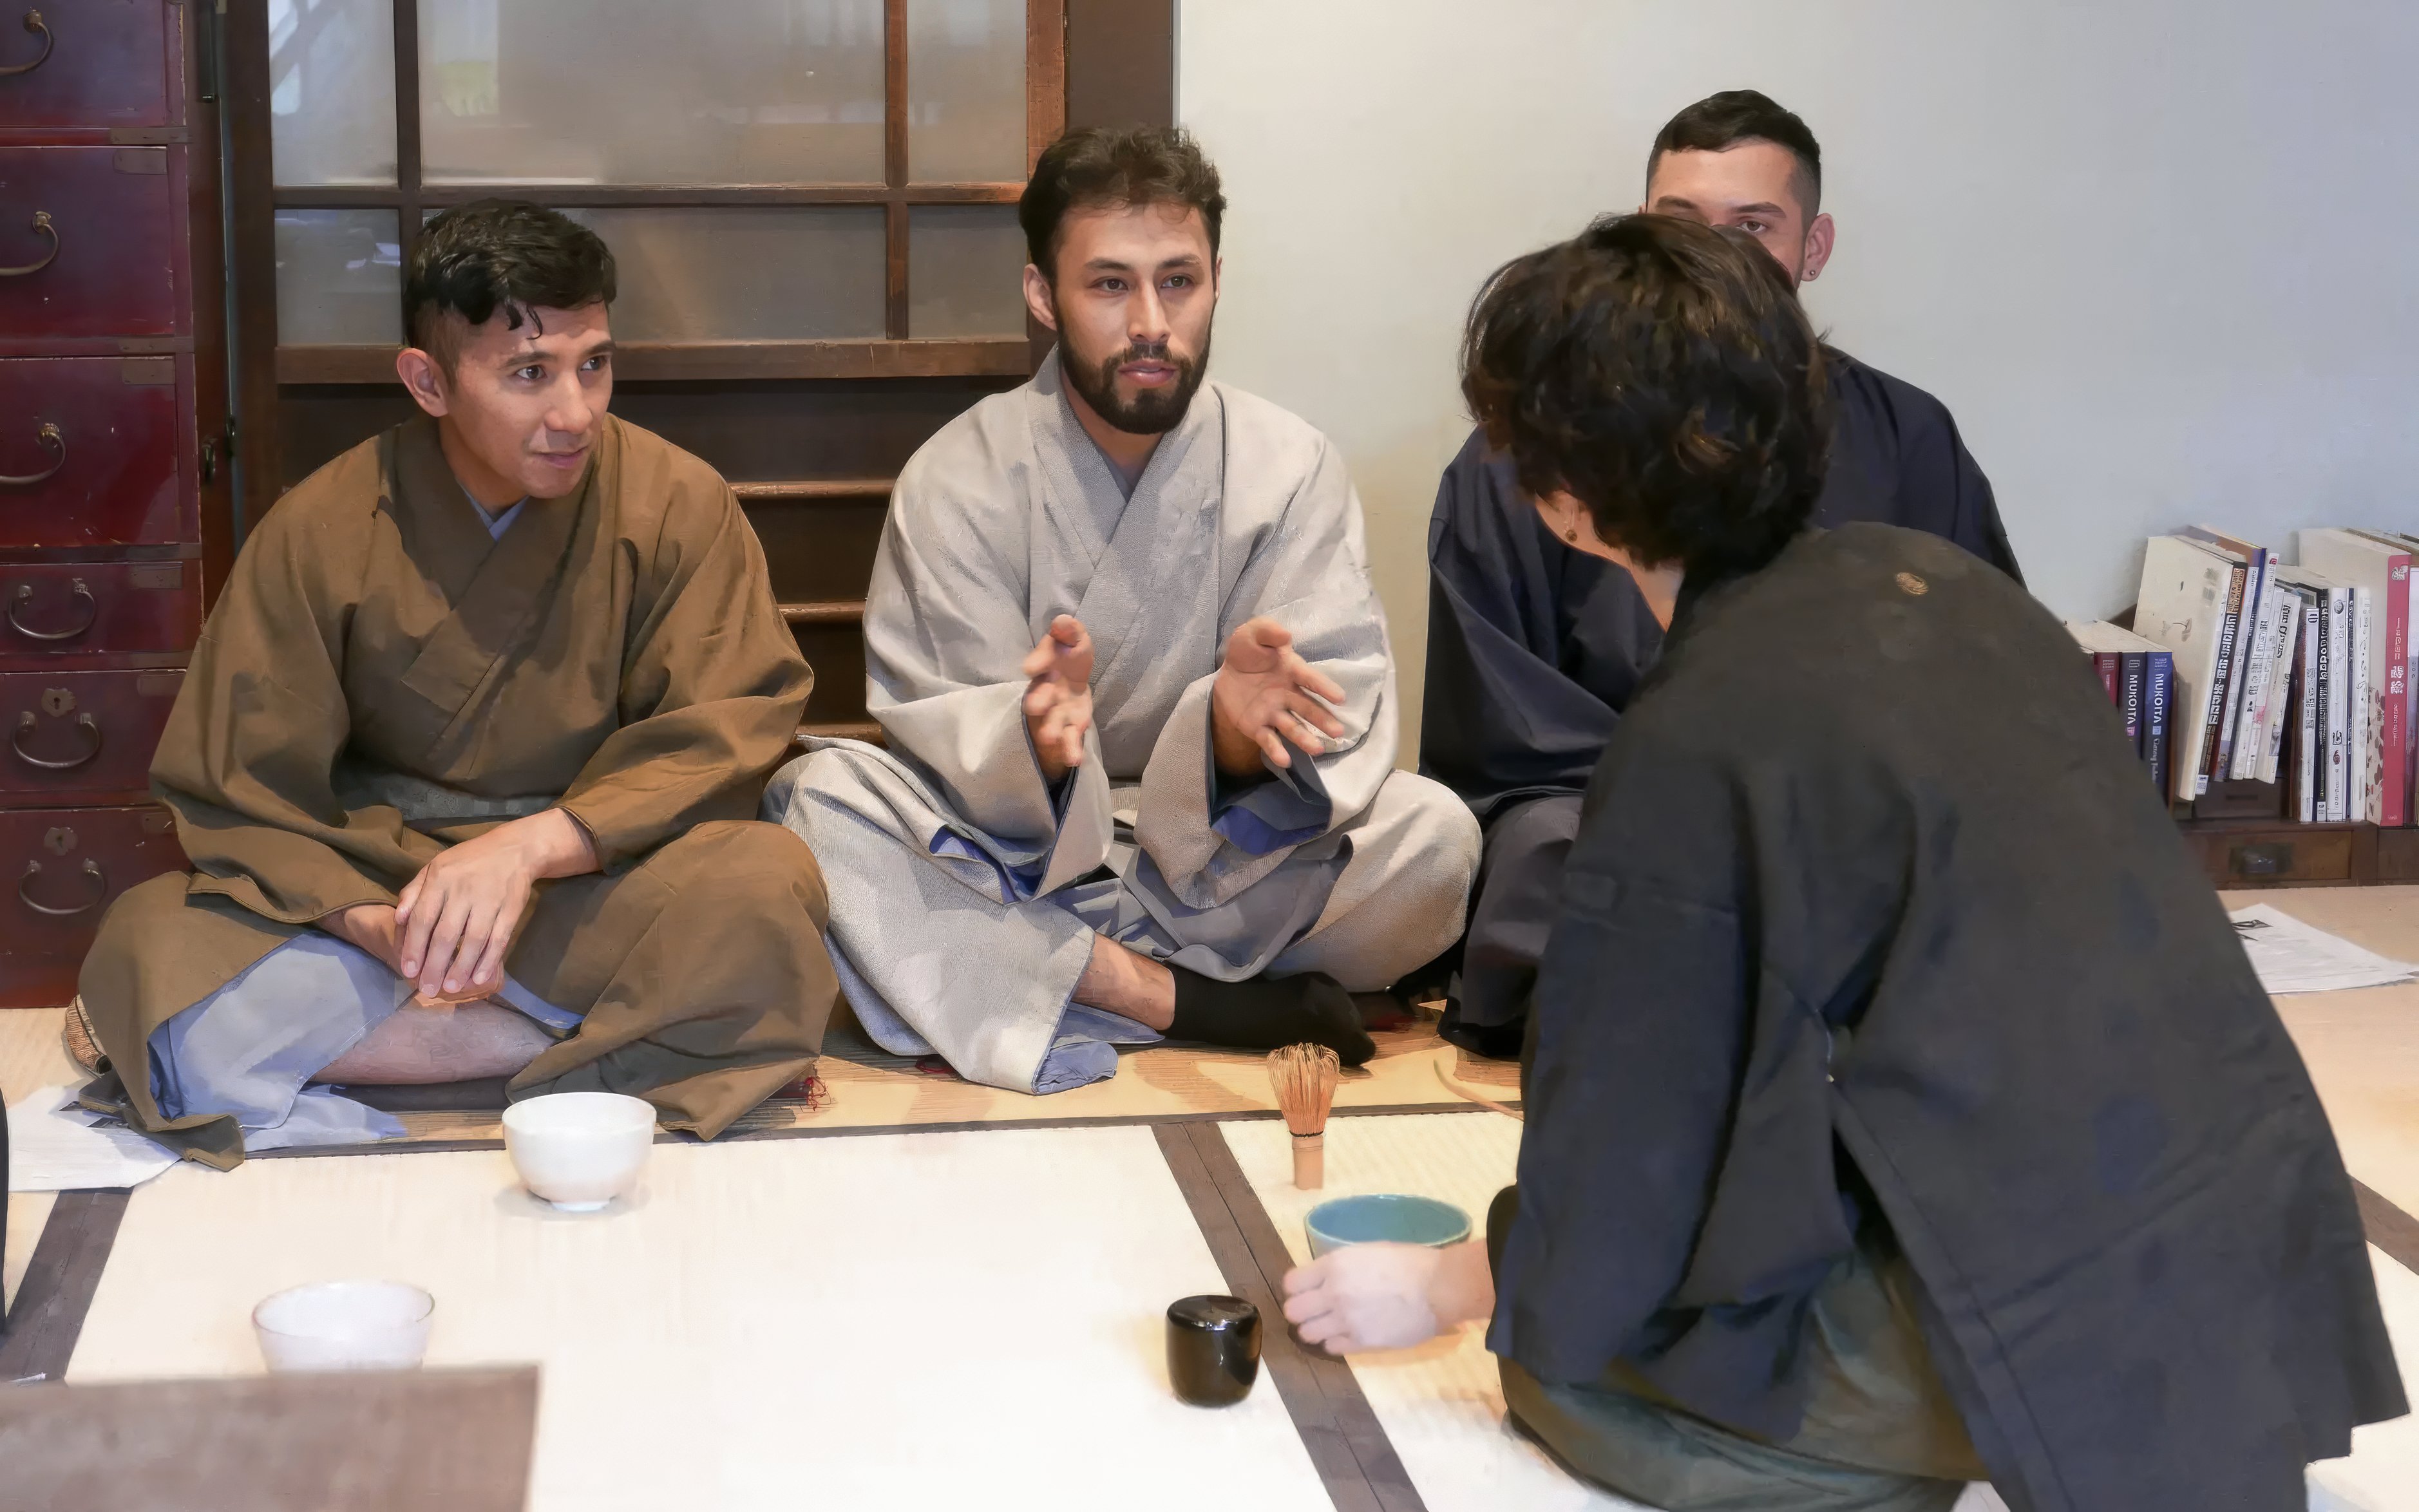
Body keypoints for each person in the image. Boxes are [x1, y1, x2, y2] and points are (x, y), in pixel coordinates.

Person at [1283, 215, 2404, 1511]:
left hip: (2046, 1321)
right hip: (2262, 1262)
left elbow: (1632, 1153)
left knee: (1566, 1368)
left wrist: (1442, 1283)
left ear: (1567, 503)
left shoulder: (1695, 734)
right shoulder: (1954, 588)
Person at [71, 201, 837, 1166]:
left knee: (765, 890)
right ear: (428, 382)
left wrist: (525, 853)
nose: (576, 412)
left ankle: (405, 1050)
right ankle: (592, 1046)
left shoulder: (677, 501)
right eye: (529, 373)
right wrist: (379, 925)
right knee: (146, 946)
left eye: (593, 363)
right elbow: (242, 782)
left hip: (582, 879)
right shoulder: (322, 527)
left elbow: (725, 724)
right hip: (386, 879)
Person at [762, 127, 1479, 1094]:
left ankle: (1026, 980)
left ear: (1218, 280)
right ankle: (1176, 1001)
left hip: (1227, 864)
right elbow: (943, 740)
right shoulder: (958, 478)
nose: (1151, 322)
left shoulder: (1289, 464)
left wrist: (1229, 740)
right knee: (817, 804)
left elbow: (1332, 707)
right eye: (1109, 285)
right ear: (1041, 296)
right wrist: (1031, 746)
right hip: (1020, 854)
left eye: (1177, 282)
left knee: (1436, 841)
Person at [1421, 90, 2023, 1055]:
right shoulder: (1526, 450)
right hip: (1597, 794)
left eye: (1752, 228)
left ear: (1811, 249)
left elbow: (1979, 674)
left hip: (1848, 796)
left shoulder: (1906, 436)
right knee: (1557, 850)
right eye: (1679, 226)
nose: (1711, 260)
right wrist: (1688, 795)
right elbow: (1504, 727)